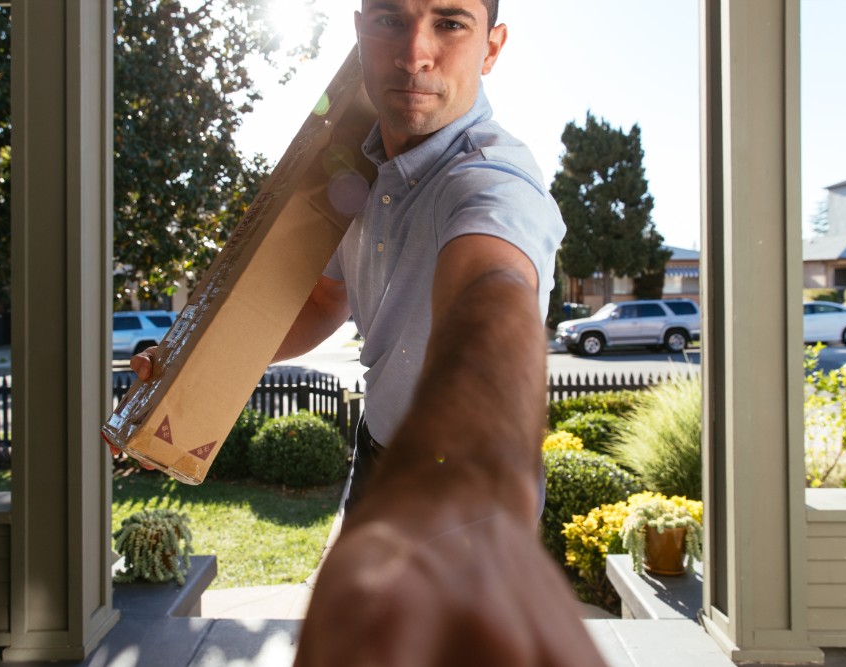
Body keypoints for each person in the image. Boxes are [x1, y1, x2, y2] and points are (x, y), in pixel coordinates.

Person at [126, 0, 608, 663]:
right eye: (390, 19)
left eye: (449, 22)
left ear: (492, 48)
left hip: (465, 480)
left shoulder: (495, 178)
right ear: (360, 30)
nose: (414, 52)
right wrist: (198, 364)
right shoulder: (352, 163)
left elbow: (492, 294)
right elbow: (325, 297)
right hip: (378, 449)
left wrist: (476, 483)